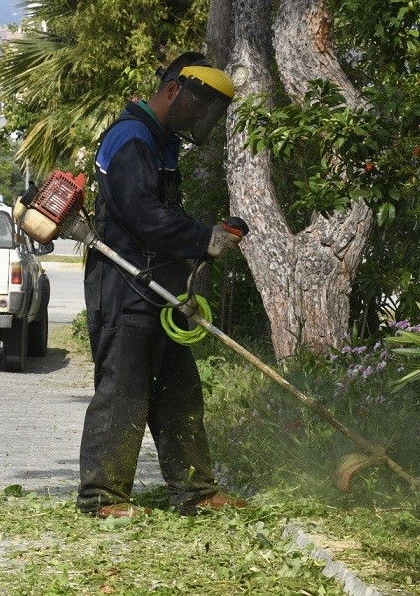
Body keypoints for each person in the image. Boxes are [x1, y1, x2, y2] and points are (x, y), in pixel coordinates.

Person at [77, 52, 246, 519]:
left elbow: (163, 215)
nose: (198, 119)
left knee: (178, 390)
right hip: (125, 285)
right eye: (196, 108)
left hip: (157, 289)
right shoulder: (131, 138)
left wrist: (201, 238)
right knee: (124, 390)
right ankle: (101, 497)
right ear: (173, 91)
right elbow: (146, 218)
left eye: (206, 115)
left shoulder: (158, 141)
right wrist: (203, 239)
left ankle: (196, 492)